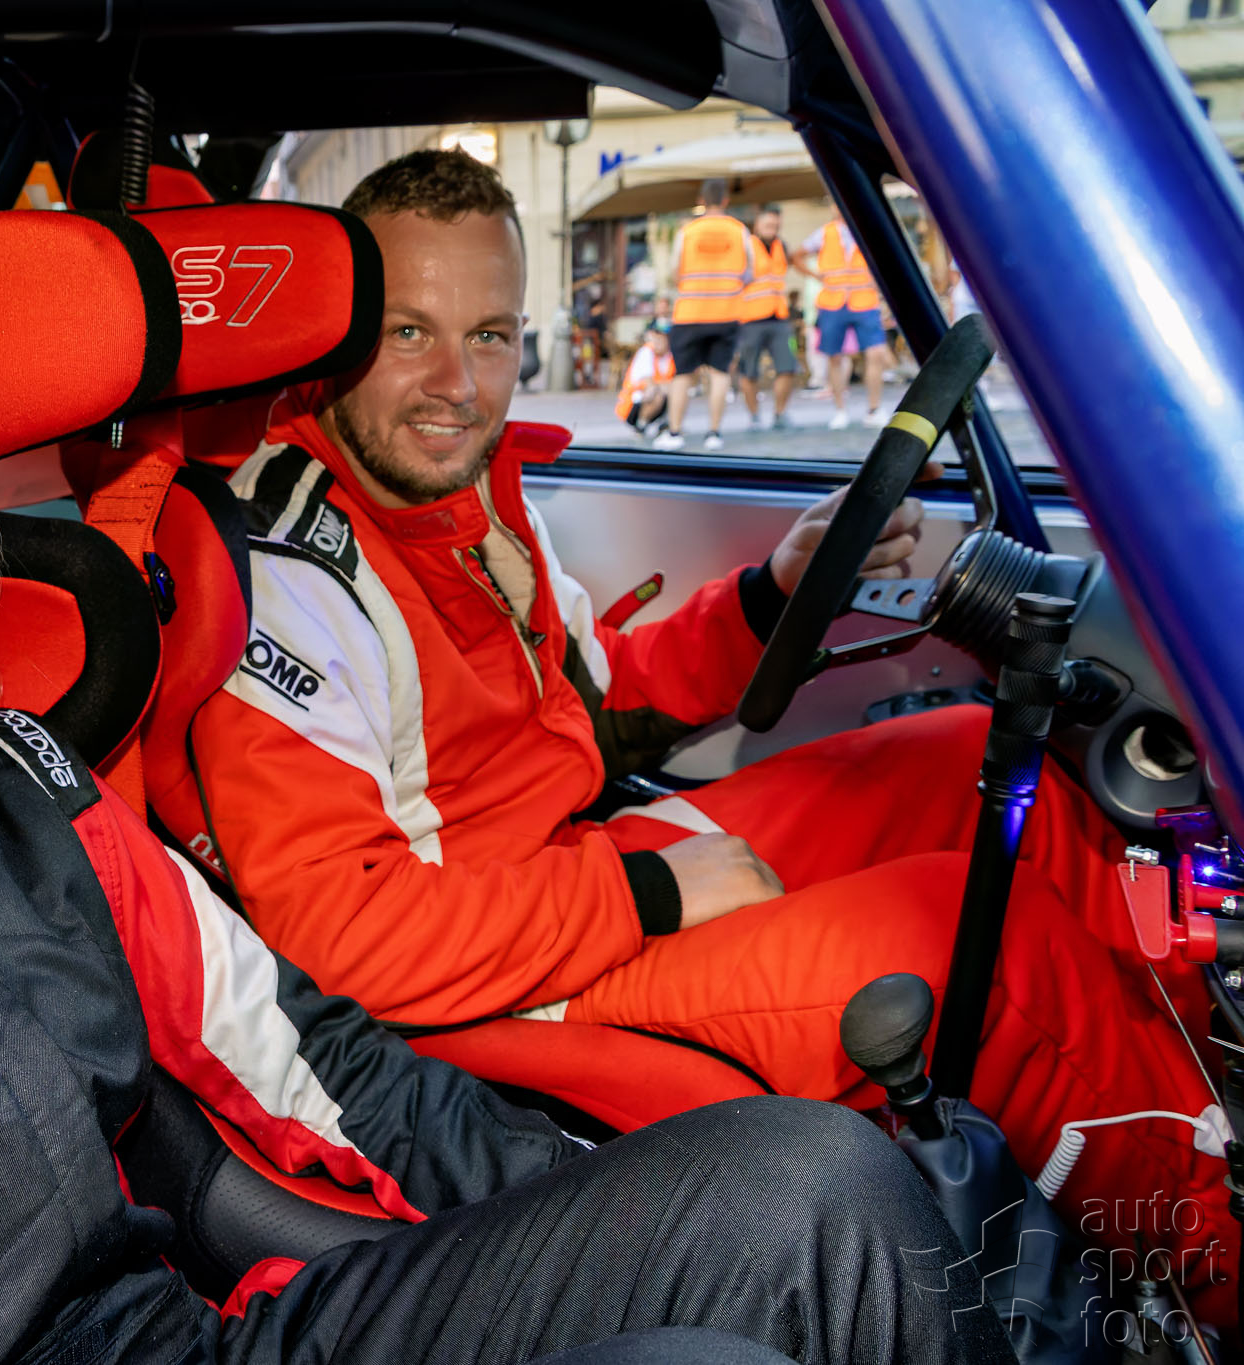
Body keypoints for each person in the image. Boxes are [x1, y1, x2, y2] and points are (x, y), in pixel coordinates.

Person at [0, 202, 1012, 1365]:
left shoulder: (16, 772)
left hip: (214, 1334)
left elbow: (321, 1066)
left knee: (811, 1186)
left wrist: (600, 1213)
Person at [183, 149, 1232, 1320]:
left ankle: (1179, 1091)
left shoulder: (464, 498)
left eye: (488, 335)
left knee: (978, 763)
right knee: (974, 950)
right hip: (484, 979)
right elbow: (344, 938)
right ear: (334, 339)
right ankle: (1214, 1256)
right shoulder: (286, 574)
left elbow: (594, 705)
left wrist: (767, 599)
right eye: (408, 334)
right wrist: (653, 892)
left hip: (566, 865)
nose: (457, 385)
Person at [653, 178, 752, 453]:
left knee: (683, 375)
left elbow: (674, 271)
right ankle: (714, 434)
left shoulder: (688, 231)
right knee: (720, 373)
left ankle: (675, 433)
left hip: (690, 313)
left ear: (701, 200)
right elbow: (750, 272)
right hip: (727, 312)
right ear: (726, 200)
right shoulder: (739, 230)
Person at [795, 214, 895, 430]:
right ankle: (840, 410)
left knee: (876, 353)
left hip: (865, 301)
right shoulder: (825, 233)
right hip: (833, 302)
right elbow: (797, 256)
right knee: (834, 357)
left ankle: (874, 409)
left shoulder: (868, 228)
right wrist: (816, 276)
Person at [731, 204, 798, 430]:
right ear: (757, 225)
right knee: (749, 370)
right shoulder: (746, 247)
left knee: (788, 367)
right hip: (750, 319)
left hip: (779, 317)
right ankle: (754, 416)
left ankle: (780, 413)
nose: (773, 229)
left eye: (776, 225)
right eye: (768, 224)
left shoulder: (781, 246)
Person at [615, 321, 674, 439]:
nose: (660, 340)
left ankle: (667, 425)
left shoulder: (670, 355)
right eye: (657, 336)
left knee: (677, 392)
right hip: (632, 405)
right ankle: (641, 425)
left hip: (659, 396)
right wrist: (668, 386)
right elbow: (649, 384)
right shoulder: (646, 352)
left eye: (664, 337)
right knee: (657, 393)